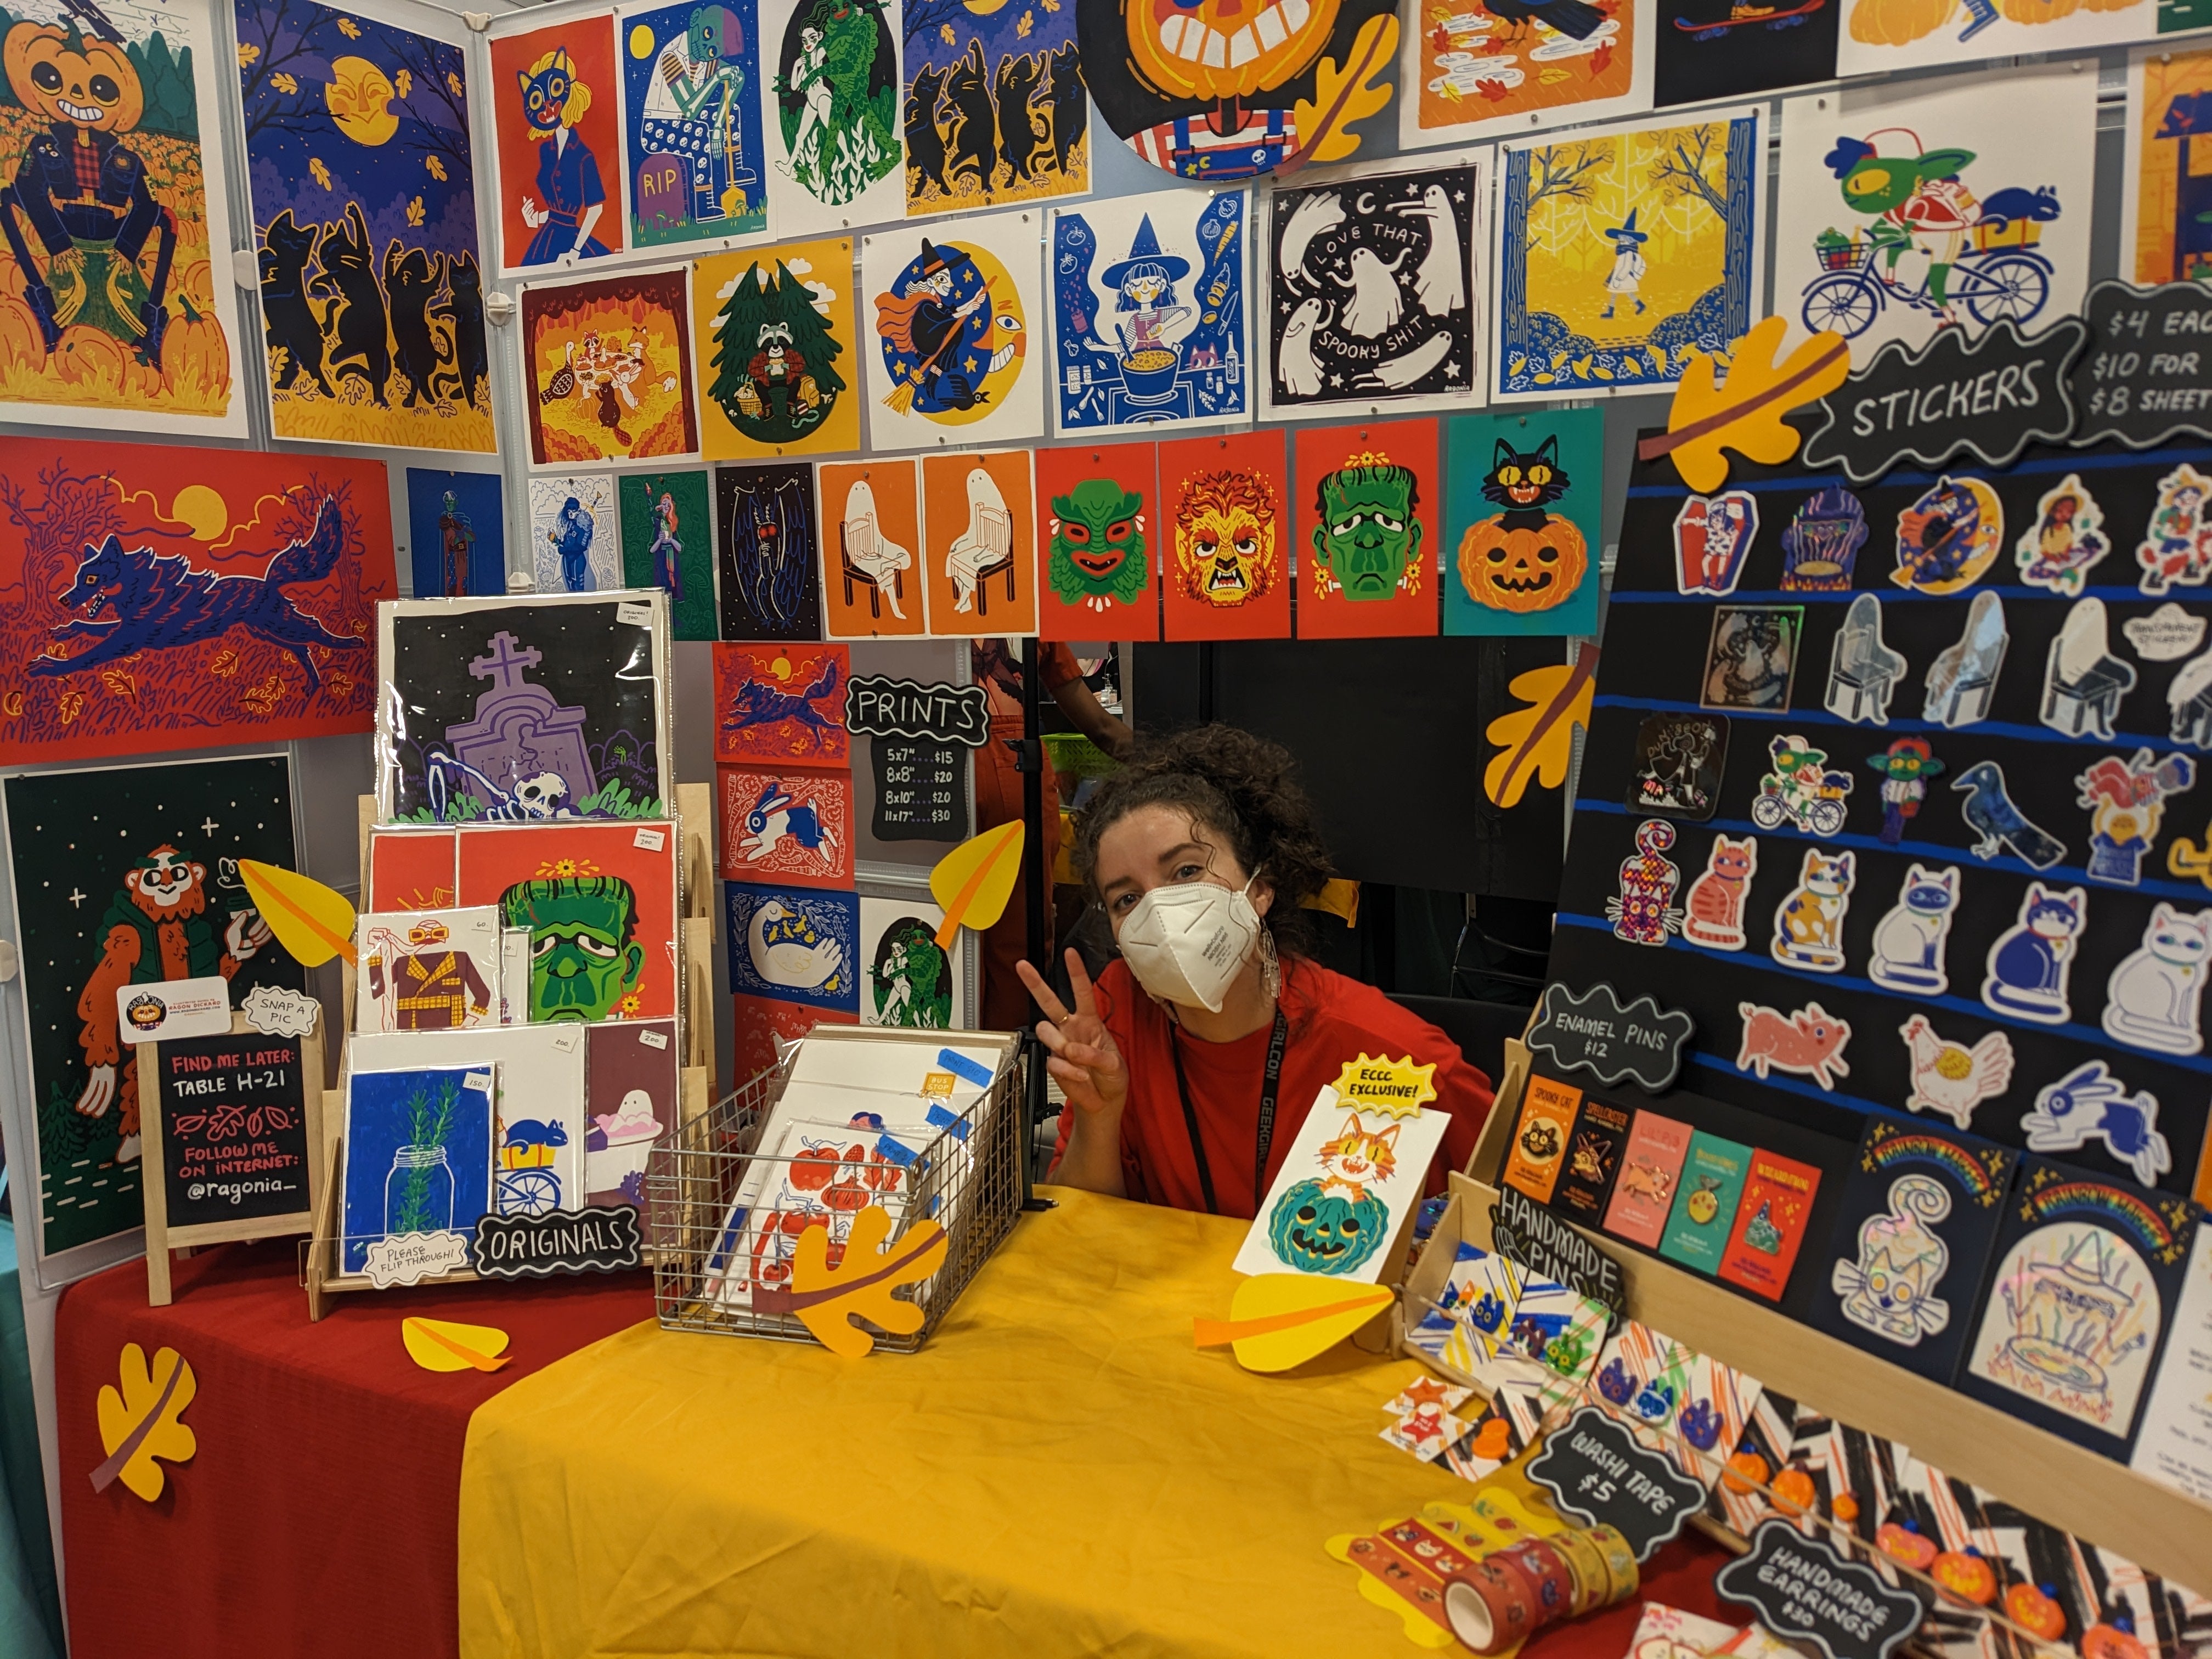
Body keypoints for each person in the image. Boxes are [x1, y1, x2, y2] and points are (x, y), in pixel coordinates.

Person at [1019, 726, 1493, 1216]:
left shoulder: (1392, 1055)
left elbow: (1511, 1210)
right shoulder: (1118, 1016)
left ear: (1260, 886)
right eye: (1127, 899)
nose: (1159, 913)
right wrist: (1098, 1118)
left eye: (1186, 871)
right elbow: (1079, 1226)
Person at [972, 639, 1131, 1031]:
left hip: (912, 762)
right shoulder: (1028, 615)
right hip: (1014, 765)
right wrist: (1183, 765)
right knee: (1017, 945)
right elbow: (1100, 727)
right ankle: (1012, 1060)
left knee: (924, 923)